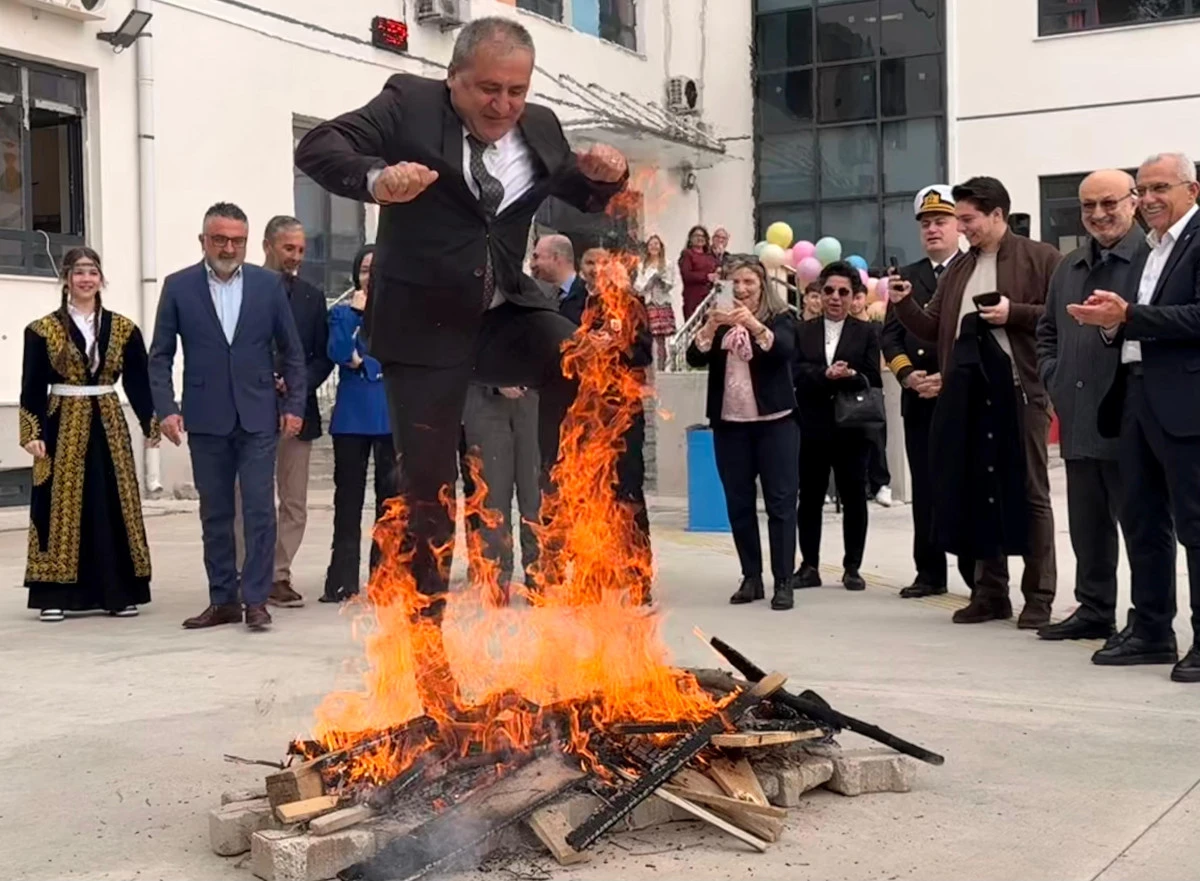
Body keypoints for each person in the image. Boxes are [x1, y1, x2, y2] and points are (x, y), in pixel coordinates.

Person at [293, 18, 628, 647]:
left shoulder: (540, 126)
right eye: (488, 90)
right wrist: (376, 178)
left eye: (516, 91)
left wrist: (610, 172)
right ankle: (426, 646)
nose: (503, 105)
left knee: (580, 360)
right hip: (423, 330)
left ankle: (563, 504)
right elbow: (318, 146)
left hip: (501, 315)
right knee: (429, 496)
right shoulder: (408, 104)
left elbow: (585, 193)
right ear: (454, 79)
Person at [891, 177, 1063, 628]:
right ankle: (990, 594)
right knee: (980, 492)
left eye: (967, 219)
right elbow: (932, 327)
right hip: (968, 395)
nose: (962, 228)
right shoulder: (960, 269)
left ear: (997, 215)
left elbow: (1062, 315)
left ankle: (1039, 595)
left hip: (1021, 391)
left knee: (1030, 491)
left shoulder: (1041, 257)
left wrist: (1014, 313)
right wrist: (904, 304)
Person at [1071, 152, 1200, 682]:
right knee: (1143, 519)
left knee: (1195, 524)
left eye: (1159, 188)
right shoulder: (1155, 246)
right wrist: (1112, 324)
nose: (1148, 199)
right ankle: (1150, 630)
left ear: (1192, 190)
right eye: (1143, 190)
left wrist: (1130, 315)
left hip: (1186, 402)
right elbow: (1145, 323)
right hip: (1137, 396)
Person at [149, 202, 306, 632]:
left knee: (259, 511)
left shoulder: (268, 285)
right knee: (215, 514)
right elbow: (160, 356)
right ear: (203, 240)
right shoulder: (178, 287)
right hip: (205, 417)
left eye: (238, 240)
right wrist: (166, 409)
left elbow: (292, 352)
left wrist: (294, 406)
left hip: (258, 416)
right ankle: (223, 600)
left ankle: (256, 600)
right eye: (220, 239)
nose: (229, 248)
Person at [19, 248, 159, 622]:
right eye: (78, 272)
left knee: (111, 501)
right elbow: (31, 386)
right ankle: (54, 594)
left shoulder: (124, 329)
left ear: (101, 279)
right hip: (61, 423)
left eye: (92, 272)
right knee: (58, 505)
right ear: (66, 279)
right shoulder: (42, 330)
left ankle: (119, 592)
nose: (86, 279)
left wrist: (150, 423)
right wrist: (31, 431)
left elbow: (138, 381)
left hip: (109, 423)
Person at [1035, 170, 1144, 642]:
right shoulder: (1069, 267)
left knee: (1143, 530)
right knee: (1087, 526)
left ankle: (1148, 619)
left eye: (1109, 203)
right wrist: (1055, 377)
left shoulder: (1150, 260)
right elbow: (1046, 332)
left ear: (1133, 202)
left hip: (1130, 421)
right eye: (1088, 206)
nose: (1098, 214)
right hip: (1078, 416)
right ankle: (1094, 608)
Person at [686, 259, 799, 610]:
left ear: (762, 284)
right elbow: (693, 358)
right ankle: (751, 576)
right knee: (738, 503)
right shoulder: (718, 321)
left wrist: (752, 324)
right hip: (731, 425)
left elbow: (784, 350)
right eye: (734, 282)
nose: (741, 289)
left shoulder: (779, 318)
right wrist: (710, 326)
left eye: (748, 281)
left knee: (780, 503)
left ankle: (784, 580)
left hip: (775, 423)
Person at [234, 216, 333, 608]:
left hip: (298, 412)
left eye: (301, 250)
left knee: (294, 502)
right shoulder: (240, 289)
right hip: (250, 410)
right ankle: (248, 574)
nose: (296, 256)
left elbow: (323, 356)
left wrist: (296, 384)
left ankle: (278, 575)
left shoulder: (312, 296)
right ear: (267, 246)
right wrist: (264, 379)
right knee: (247, 497)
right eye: (288, 248)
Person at [881, 184, 971, 599]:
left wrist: (949, 377)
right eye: (926, 224)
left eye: (941, 221)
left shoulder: (974, 268)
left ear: (958, 225)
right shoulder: (907, 276)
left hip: (964, 396)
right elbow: (890, 337)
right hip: (920, 397)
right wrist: (908, 376)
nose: (933, 230)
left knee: (967, 486)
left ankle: (977, 575)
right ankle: (930, 572)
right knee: (927, 487)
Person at [562, 246, 654, 584]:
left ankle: (637, 574)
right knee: (586, 494)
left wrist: (614, 346)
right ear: (581, 267)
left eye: (603, 263)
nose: (596, 268)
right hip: (582, 416)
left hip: (622, 411)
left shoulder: (630, 304)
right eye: (590, 262)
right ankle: (591, 574)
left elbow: (643, 353)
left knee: (627, 493)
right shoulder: (571, 305)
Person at [793, 261, 882, 593]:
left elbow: (873, 377)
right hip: (812, 425)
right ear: (819, 292)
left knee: (854, 497)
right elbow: (795, 371)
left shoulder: (866, 332)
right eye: (829, 290)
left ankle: (852, 567)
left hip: (852, 427)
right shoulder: (803, 330)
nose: (835, 297)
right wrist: (824, 374)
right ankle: (809, 566)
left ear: (854, 296)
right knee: (810, 497)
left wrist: (851, 375)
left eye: (843, 292)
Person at [323, 245, 398, 603]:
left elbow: (394, 357)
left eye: (376, 269)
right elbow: (339, 353)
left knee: (390, 503)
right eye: (364, 270)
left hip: (389, 416)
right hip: (351, 419)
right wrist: (355, 314)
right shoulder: (341, 313)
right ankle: (341, 581)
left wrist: (364, 364)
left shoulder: (398, 312)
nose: (370, 276)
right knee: (347, 502)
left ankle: (385, 579)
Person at [849, 282, 893, 507]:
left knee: (876, 438)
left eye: (858, 298)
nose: (854, 303)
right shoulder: (845, 327)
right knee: (853, 440)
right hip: (848, 388)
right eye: (852, 298)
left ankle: (881, 484)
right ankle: (861, 485)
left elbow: (884, 355)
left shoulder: (876, 327)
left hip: (872, 387)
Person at [635, 234, 677, 370]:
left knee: (661, 339)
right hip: (649, 303)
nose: (654, 246)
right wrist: (649, 283)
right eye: (651, 244)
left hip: (662, 302)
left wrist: (661, 281)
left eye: (656, 244)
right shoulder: (642, 265)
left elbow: (671, 284)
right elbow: (638, 287)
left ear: (661, 247)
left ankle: (661, 368)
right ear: (647, 248)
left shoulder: (668, 264)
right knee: (648, 337)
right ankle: (650, 368)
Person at [679, 225, 720, 320]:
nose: (700, 238)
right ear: (690, 239)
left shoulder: (710, 255)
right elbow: (687, 275)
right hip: (694, 298)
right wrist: (706, 277)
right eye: (696, 235)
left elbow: (718, 269)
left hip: (710, 297)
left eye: (702, 236)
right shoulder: (687, 254)